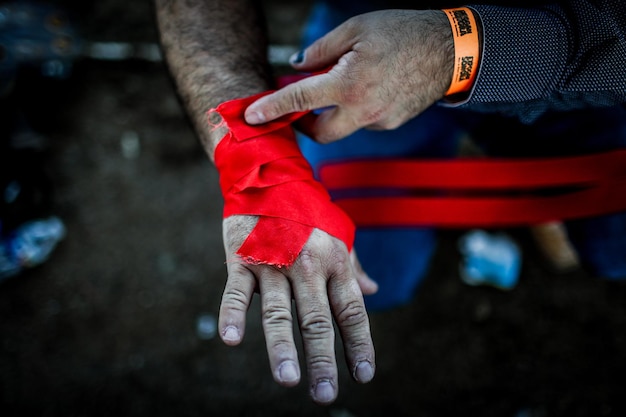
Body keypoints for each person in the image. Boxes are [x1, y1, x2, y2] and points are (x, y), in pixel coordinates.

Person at [154, 0, 626, 405]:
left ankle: (542, 197)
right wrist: (265, 168)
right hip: (361, 37)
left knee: (612, 249)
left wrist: (454, 51)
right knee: (374, 274)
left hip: (587, 61)